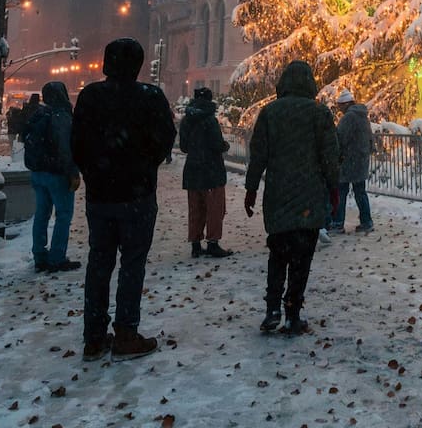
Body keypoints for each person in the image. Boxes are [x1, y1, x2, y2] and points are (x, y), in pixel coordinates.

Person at [71, 38, 176, 363]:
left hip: (100, 197)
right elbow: (166, 138)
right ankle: (126, 333)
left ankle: (94, 337)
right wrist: (145, 166)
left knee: (99, 262)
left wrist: (93, 171)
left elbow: (76, 142)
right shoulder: (150, 97)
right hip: (137, 196)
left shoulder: (90, 96)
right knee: (132, 263)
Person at [244, 60, 339, 334]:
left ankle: (271, 308)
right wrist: (333, 190)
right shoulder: (319, 114)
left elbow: (258, 154)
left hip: (277, 193)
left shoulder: (269, 113)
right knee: (301, 259)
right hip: (309, 197)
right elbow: (330, 158)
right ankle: (292, 313)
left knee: (278, 254)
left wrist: (251, 189)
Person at [25, 81, 81, 273]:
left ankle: (39, 256)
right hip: (57, 173)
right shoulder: (62, 115)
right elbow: (65, 148)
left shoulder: (39, 113)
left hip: (38, 172)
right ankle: (57, 257)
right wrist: (73, 171)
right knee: (63, 215)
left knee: (41, 214)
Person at [179, 87, 233, 259]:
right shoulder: (210, 120)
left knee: (196, 209)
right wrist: (225, 146)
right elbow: (217, 144)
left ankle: (195, 245)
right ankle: (213, 243)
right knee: (214, 209)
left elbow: (184, 147)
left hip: (193, 170)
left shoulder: (187, 120)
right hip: (211, 171)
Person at [329, 89, 374, 234]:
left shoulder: (349, 118)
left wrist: (335, 154)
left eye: (340, 105)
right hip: (361, 161)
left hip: (348, 162)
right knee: (360, 191)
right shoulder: (363, 116)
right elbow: (370, 138)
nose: (339, 109)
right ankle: (367, 222)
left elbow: (339, 138)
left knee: (341, 192)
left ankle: (337, 223)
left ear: (345, 104)